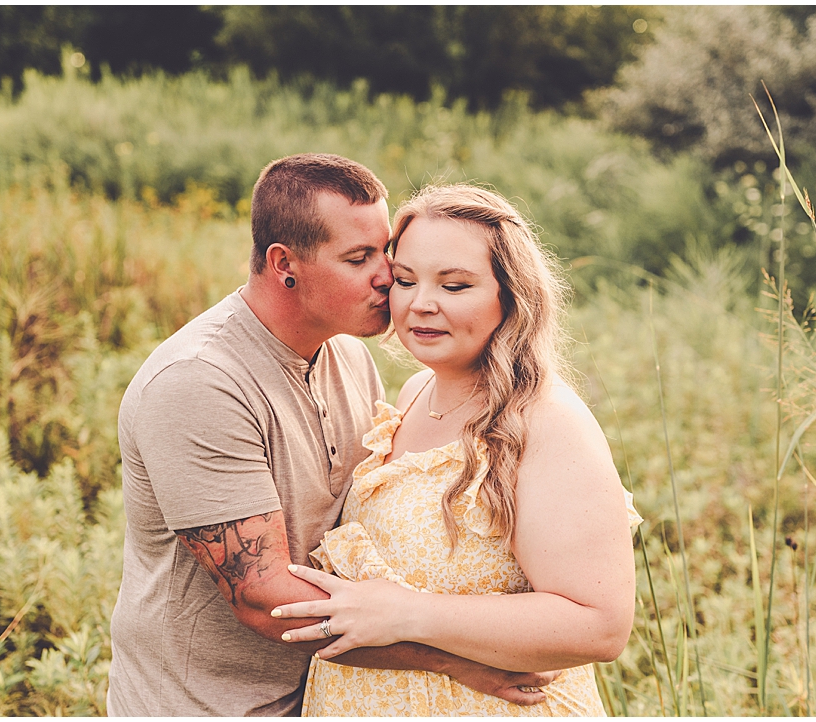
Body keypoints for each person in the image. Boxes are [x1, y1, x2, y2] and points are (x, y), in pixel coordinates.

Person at [107, 155, 559, 716]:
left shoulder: (347, 353)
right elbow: (262, 596)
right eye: (358, 258)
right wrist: (456, 659)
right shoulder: (199, 384)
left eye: (384, 251)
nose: (386, 276)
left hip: (326, 695)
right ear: (283, 264)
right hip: (208, 704)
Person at [270, 183, 643, 716]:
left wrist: (409, 614)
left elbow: (600, 625)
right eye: (405, 280)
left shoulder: (546, 420)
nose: (422, 304)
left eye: (455, 285)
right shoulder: (415, 395)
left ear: (510, 294)